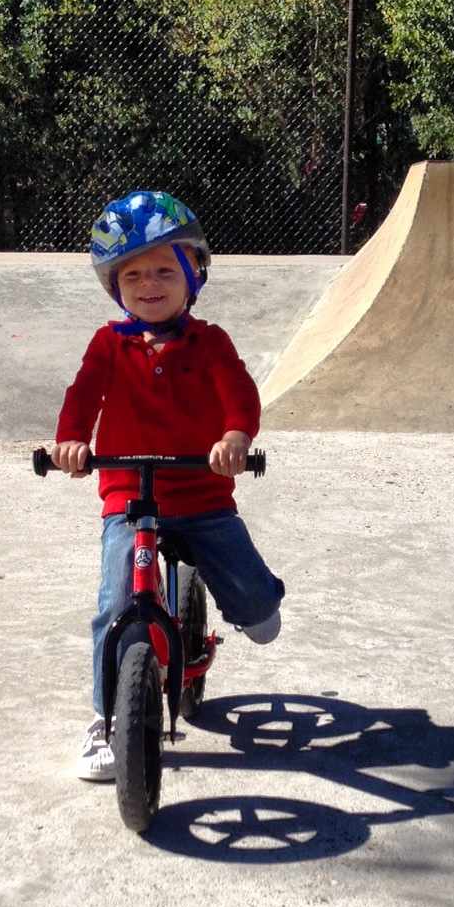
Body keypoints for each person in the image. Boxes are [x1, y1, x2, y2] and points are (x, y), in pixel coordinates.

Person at [51, 190, 285, 782]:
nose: (148, 284)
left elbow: (238, 392)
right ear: (116, 287)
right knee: (115, 602)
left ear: (192, 276)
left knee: (257, 607)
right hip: (129, 498)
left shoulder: (210, 342)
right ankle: (105, 720)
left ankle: (246, 605)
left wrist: (235, 436)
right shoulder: (110, 343)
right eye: (132, 275)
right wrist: (71, 440)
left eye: (163, 270)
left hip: (202, 494)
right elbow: (83, 394)